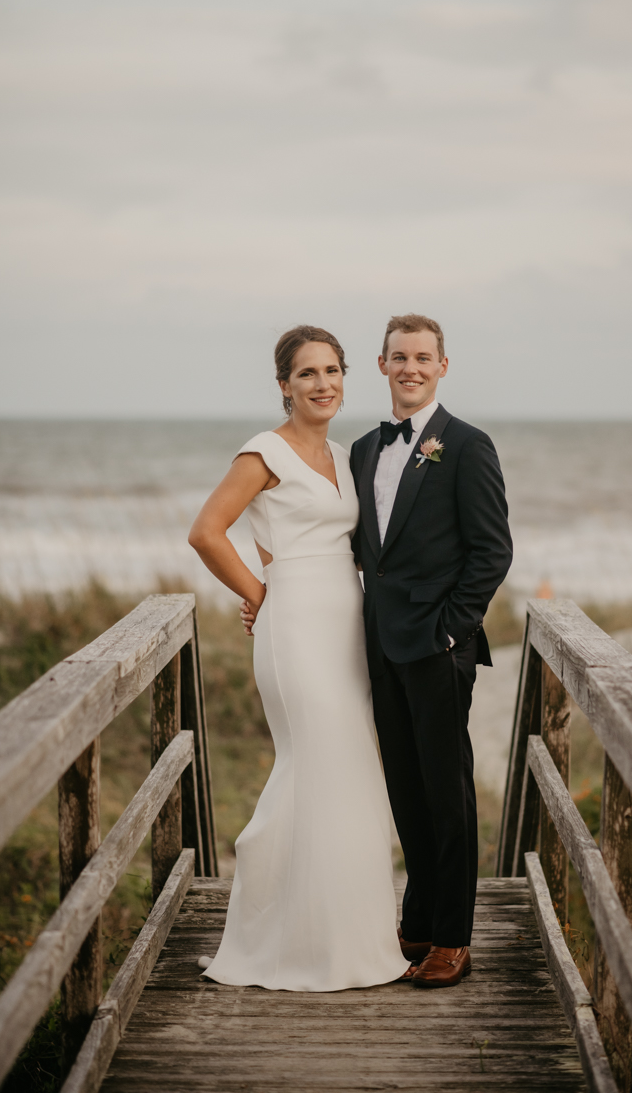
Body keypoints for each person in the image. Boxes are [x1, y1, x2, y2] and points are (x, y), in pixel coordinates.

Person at [188, 325, 411, 991]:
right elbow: (207, 531)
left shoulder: (345, 457)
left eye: (333, 371)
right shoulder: (264, 451)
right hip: (295, 631)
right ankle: (278, 941)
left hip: (346, 626)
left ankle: (342, 936)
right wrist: (263, 592)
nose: (324, 384)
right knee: (311, 764)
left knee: (346, 772)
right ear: (283, 385)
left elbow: (311, 536)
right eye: (308, 374)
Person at [350, 313, 512, 989]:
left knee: (447, 794)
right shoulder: (363, 449)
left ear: (442, 366)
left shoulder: (467, 446)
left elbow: (491, 550)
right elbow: (359, 551)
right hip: (380, 647)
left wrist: (452, 629)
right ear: (381, 364)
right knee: (405, 790)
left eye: (423, 357)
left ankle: (452, 938)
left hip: (438, 648)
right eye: (398, 356)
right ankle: (415, 924)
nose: (410, 367)